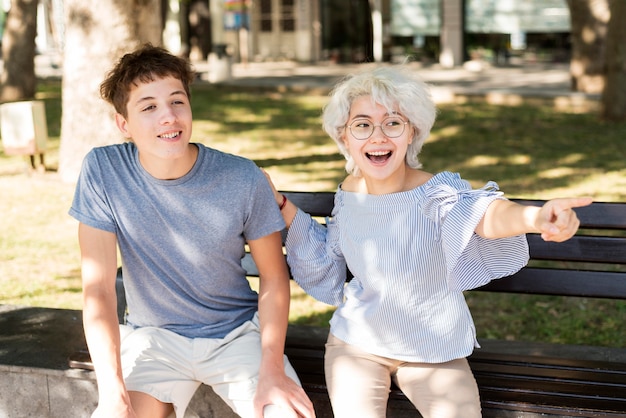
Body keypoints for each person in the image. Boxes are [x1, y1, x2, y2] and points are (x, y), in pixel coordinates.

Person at [263, 65, 592, 418]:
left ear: (412, 132)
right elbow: (330, 250)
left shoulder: (437, 192)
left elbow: (485, 214)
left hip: (433, 348)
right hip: (356, 344)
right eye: (362, 125)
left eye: (393, 123)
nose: (378, 136)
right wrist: (281, 205)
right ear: (344, 137)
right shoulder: (349, 192)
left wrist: (535, 217)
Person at [69, 44, 315, 418]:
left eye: (177, 101)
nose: (168, 117)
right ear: (124, 124)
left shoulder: (241, 177)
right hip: (154, 338)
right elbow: (99, 289)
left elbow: (273, 277)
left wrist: (272, 368)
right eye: (149, 107)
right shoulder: (104, 172)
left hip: (237, 335)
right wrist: (112, 391)